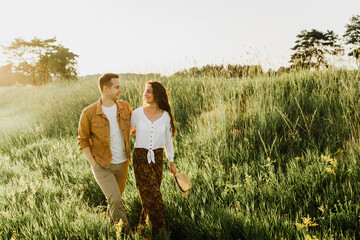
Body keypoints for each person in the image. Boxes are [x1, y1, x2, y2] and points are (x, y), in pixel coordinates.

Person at [77, 73, 132, 232]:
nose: (120, 90)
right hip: (102, 165)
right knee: (115, 199)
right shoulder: (89, 112)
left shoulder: (125, 107)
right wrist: (93, 163)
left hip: (122, 163)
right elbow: (82, 139)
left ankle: (110, 230)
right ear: (106, 89)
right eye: (117, 87)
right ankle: (126, 234)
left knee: (114, 201)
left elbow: (134, 126)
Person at [130, 81, 177, 237]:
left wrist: (171, 162)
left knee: (149, 194)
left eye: (149, 91)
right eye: (145, 91)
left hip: (157, 157)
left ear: (157, 94)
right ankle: (160, 227)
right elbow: (127, 131)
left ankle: (142, 227)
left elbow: (168, 140)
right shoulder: (137, 113)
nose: (145, 94)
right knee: (154, 194)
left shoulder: (165, 116)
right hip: (140, 157)